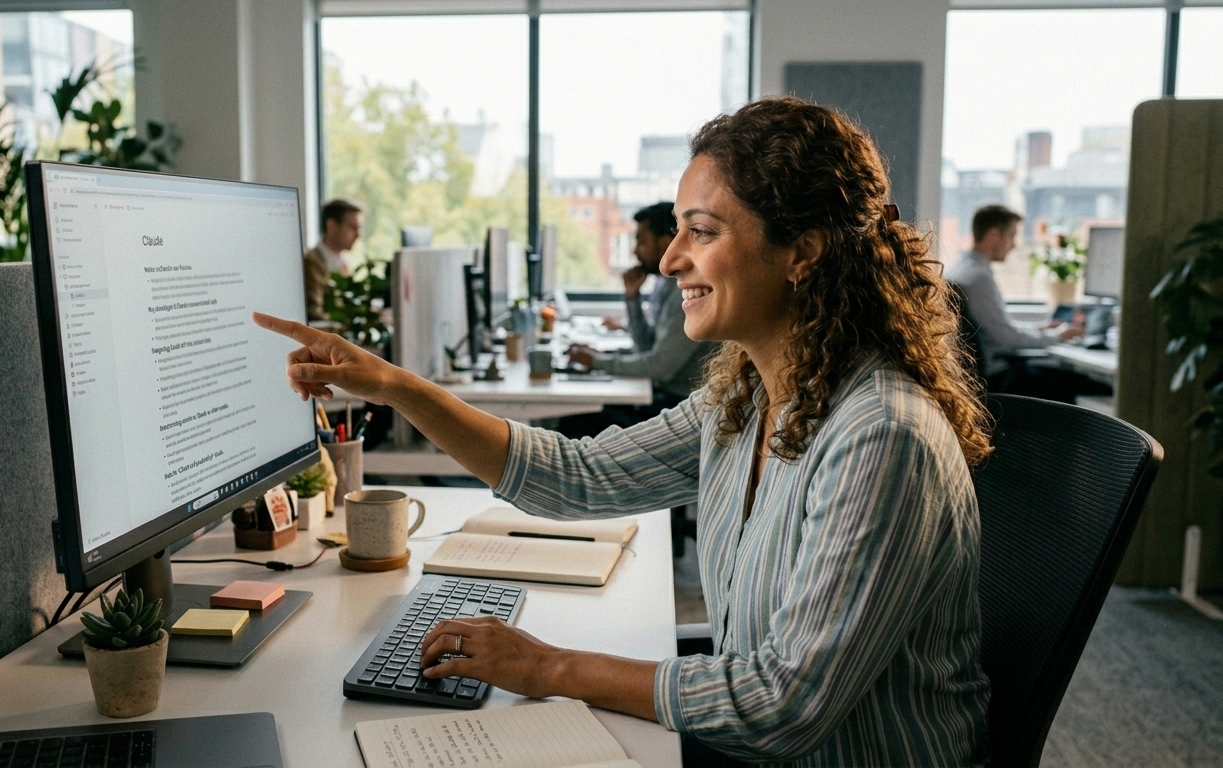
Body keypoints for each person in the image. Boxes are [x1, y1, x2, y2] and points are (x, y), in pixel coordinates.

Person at [254, 97, 992, 766]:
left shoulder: (881, 436)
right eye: (677, 230)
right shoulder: (744, 399)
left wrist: (549, 668)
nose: (670, 259)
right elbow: (577, 477)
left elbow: (782, 707)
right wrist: (395, 385)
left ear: (801, 251)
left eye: (700, 232)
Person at [560, 202, 715, 436]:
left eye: (641, 241)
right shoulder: (667, 286)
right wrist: (632, 298)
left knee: (576, 421)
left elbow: (660, 367)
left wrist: (598, 362)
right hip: (666, 397)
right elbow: (647, 347)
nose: (635, 251)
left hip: (682, 408)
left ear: (665, 243)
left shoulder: (688, 292)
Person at [947, 205, 1101, 402]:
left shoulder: (963, 270)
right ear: (994, 234)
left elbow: (999, 328)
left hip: (992, 371)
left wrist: (1041, 328)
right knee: (1085, 384)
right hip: (999, 377)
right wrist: (1058, 336)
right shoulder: (979, 278)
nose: (1014, 245)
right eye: (1011, 236)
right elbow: (1008, 338)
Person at [304, 198, 364, 321]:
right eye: (353, 227)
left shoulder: (343, 262)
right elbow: (314, 314)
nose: (358, 234)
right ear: (332, 226)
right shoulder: (311, 262)